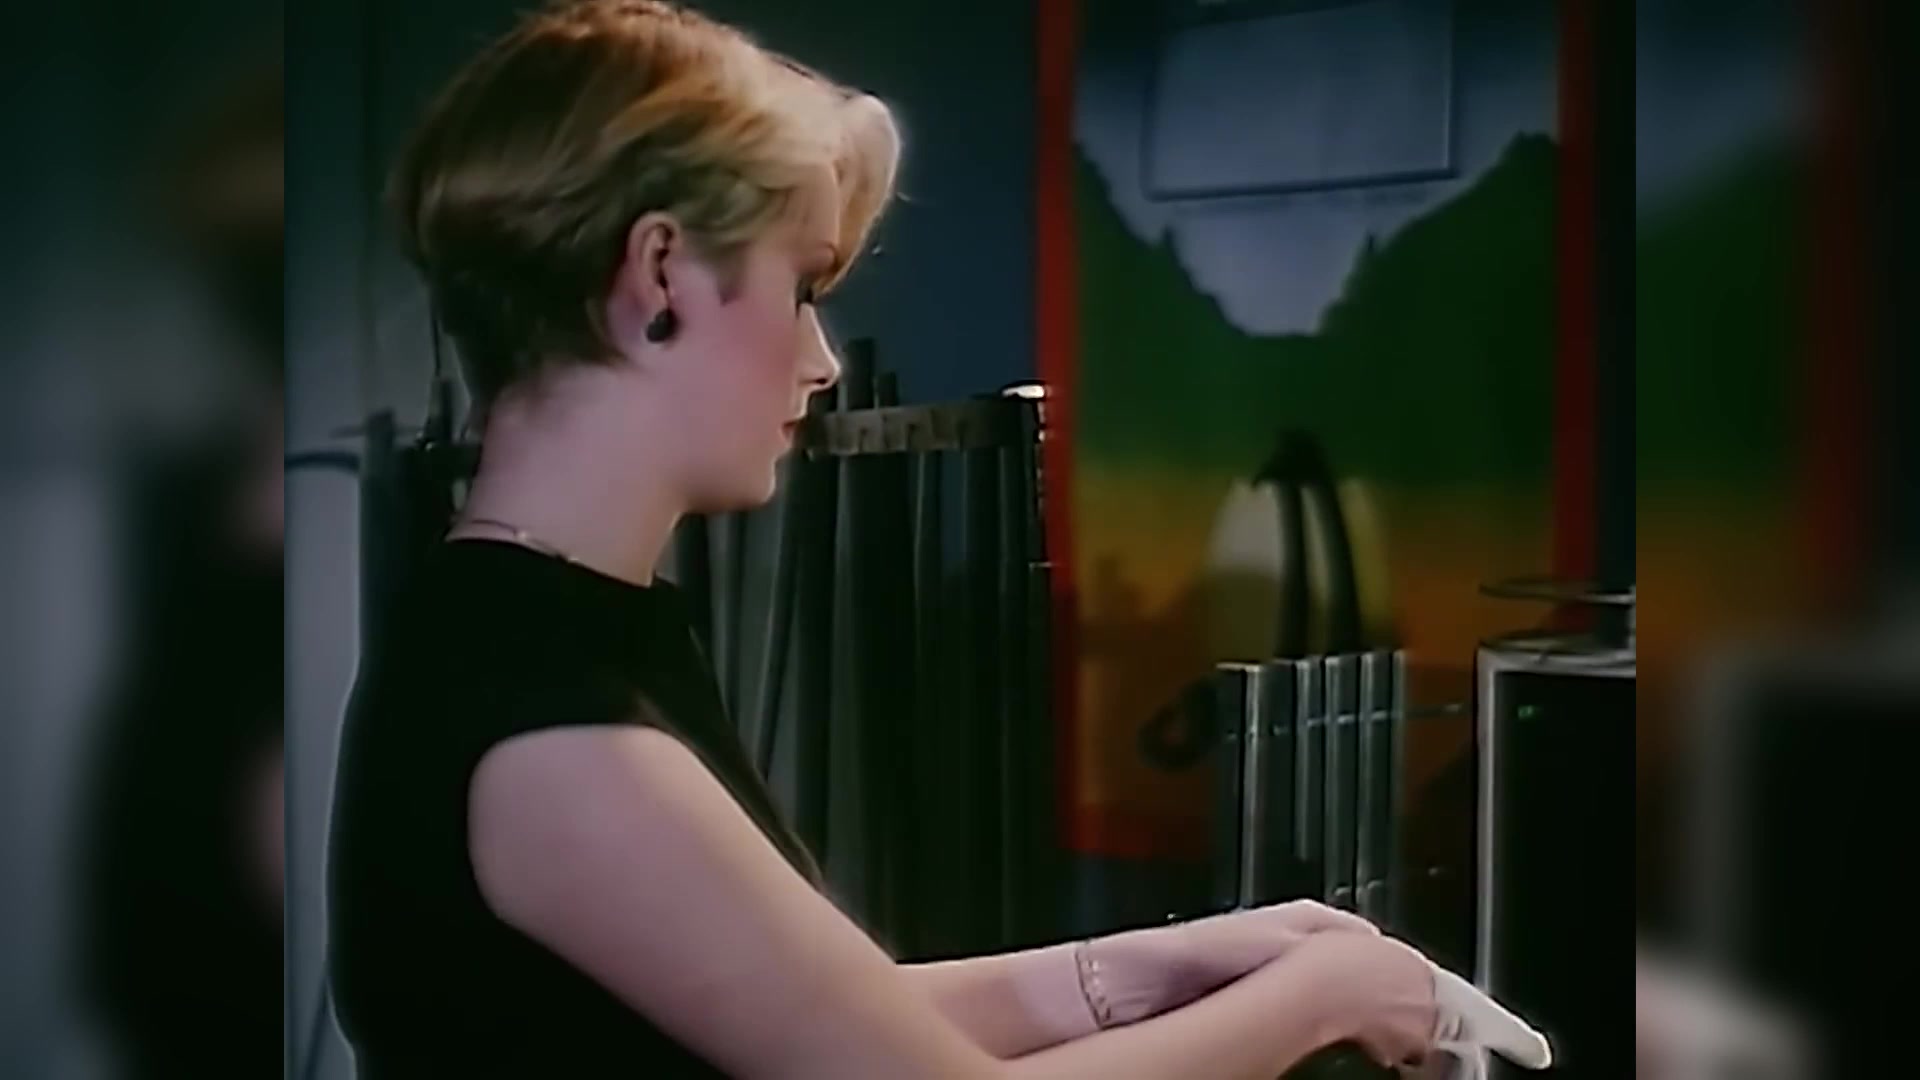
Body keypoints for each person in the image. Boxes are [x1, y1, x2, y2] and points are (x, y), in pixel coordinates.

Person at [324, 3, 1440, 1076]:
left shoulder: (541, 628)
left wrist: (1168, 966)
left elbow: (820, 1019)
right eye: (801, 286)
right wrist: (1321, 1001)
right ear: (659, 275)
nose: (824, 362)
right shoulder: (554, 736)